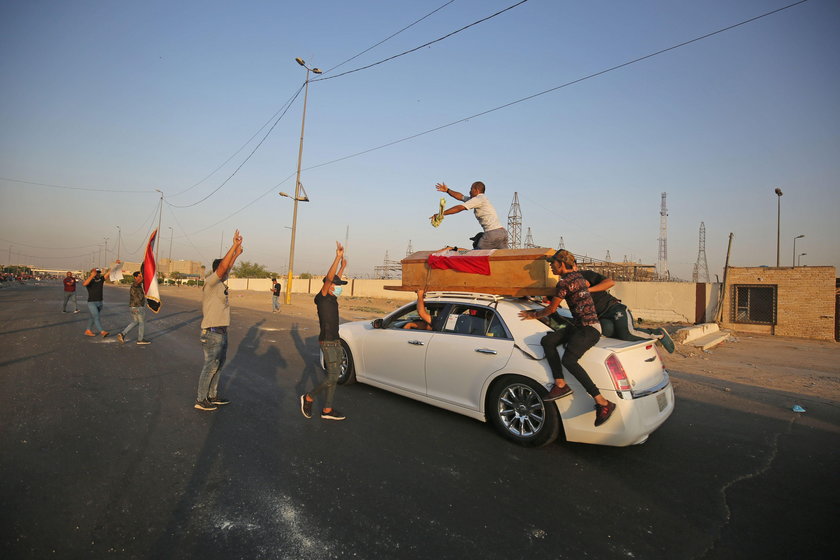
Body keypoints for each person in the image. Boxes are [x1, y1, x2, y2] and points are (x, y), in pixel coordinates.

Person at [518, 249, 616, 427]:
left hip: (589, 329)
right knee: (548, 341)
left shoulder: (564, 282)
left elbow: (551, 309)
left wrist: (532, 315)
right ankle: (560, 384)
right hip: (579, 326)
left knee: (569, 360)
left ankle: (602, 402)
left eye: (552, 263)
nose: (551, 267)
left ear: (561, 264)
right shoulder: (578, 277)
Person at [194, 230, 244, 411]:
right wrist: (233, 246)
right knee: (210, 366)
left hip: (222, 333)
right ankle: (201, 399)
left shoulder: (221, 283)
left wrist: (237, 253)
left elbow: (227, 267)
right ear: (217, 271)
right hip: (211, 333)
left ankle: (212, 396)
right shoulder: (211, 282)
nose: (227, 272)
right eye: (223, 270)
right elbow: (223, 267)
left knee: (219, 365)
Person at [300, 242, 348, 421]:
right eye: (338, 285)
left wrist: (343, 266)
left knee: (333, 377)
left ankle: (327, 410)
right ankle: (309, 397)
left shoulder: (333, 298)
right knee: (334, 375)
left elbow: (334, 278)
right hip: (327, 340)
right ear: (329, 286)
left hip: (335, 340)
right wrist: (337, 257)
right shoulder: (323, 297)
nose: (340, 287)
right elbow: (329, 279)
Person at [581, 269, 675, 353]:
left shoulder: (586, 274)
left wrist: (588, 290)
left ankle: (659, 334)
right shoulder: (568, 284)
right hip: (602, 316)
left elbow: (610, 282)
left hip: (614, 308)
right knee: (609, 333)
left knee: (627, 333)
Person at [432, 181, 509, 249]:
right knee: (504, 258)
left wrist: (441, 214)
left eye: (471, 189)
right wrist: (448, 190)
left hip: (492, 234)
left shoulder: (478, 199)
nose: (469, 192)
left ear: (477, 190)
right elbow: (461, 197)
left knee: (475, 255)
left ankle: (453, 250)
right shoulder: (480, 199)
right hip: (503, 233)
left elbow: (460, 207)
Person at [116, 271, 150, 345]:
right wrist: (144, 276)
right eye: (139, 276)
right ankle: (140, 340)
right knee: (141, 323)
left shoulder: (138, 284)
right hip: (137, 307)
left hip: (133, 307)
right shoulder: (135, 284)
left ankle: (122, 334)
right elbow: (140, 281)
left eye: (141, 276)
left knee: (135, 322)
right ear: (135, 277)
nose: (141, 277)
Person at [83, 263, 114, 337]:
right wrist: (91, 276)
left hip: (100, 302)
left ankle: (88, 330)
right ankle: (102, 331)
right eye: (96, 273)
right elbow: (84, 284)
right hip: (92, 302)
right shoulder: (90, 280)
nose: (98, 274)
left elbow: (109, 273)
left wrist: (115, 265)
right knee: (96, 316)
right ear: (92, 273)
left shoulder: (101, 279)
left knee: (93, 317)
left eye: (98, 272)